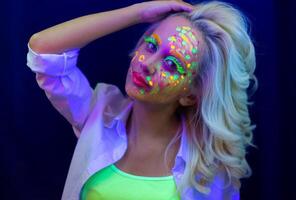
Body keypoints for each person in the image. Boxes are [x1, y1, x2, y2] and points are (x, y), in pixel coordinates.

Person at [26, 0, 257, 199]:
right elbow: (43, 50)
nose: (146, 63)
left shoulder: (208, 167)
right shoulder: (98, 114)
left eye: (171, 64)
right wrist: (138, 13)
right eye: (151, 45)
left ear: (190, 96)